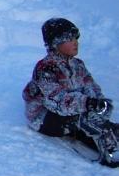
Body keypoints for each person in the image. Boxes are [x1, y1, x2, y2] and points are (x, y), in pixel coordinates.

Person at [23, 18, 118, 167]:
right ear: (56, 43)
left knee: (93, 115)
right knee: (82, 118)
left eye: (76, 38)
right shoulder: (46, 68)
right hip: (44, 117)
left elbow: (90, 86)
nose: (75, 42)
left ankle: (108, 134)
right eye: (69, 39)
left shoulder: (77, 65)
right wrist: (87, 103)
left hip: (70, 109)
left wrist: (97, 103)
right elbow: (57, 101)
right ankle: (106, 147)